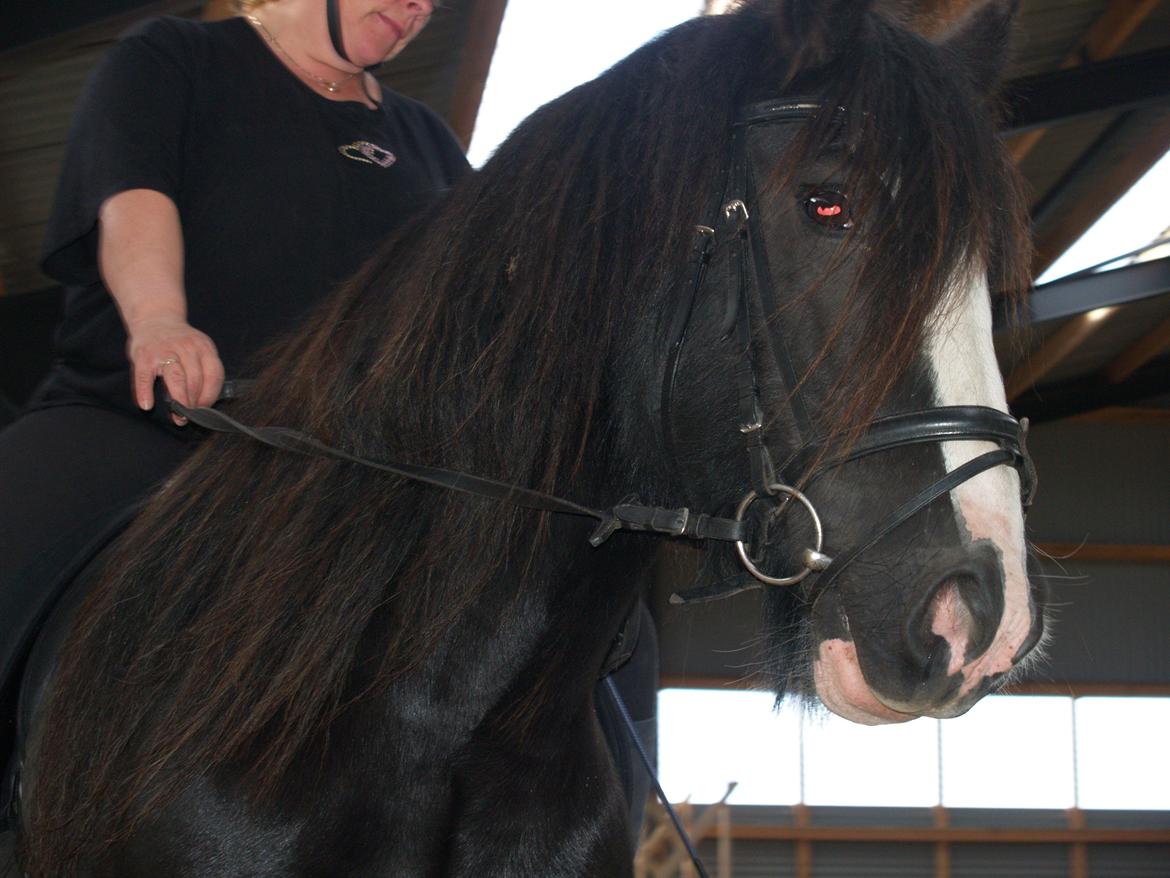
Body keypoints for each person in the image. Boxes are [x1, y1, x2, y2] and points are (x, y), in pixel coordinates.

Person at [0, 0, 657, 845]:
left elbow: (488, 306)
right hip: (158, 416)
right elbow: (134, 199)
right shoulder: (176, 57)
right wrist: (162, 318)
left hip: (356, 466)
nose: (422, 6)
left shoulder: (422, 138)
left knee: (602, 608)